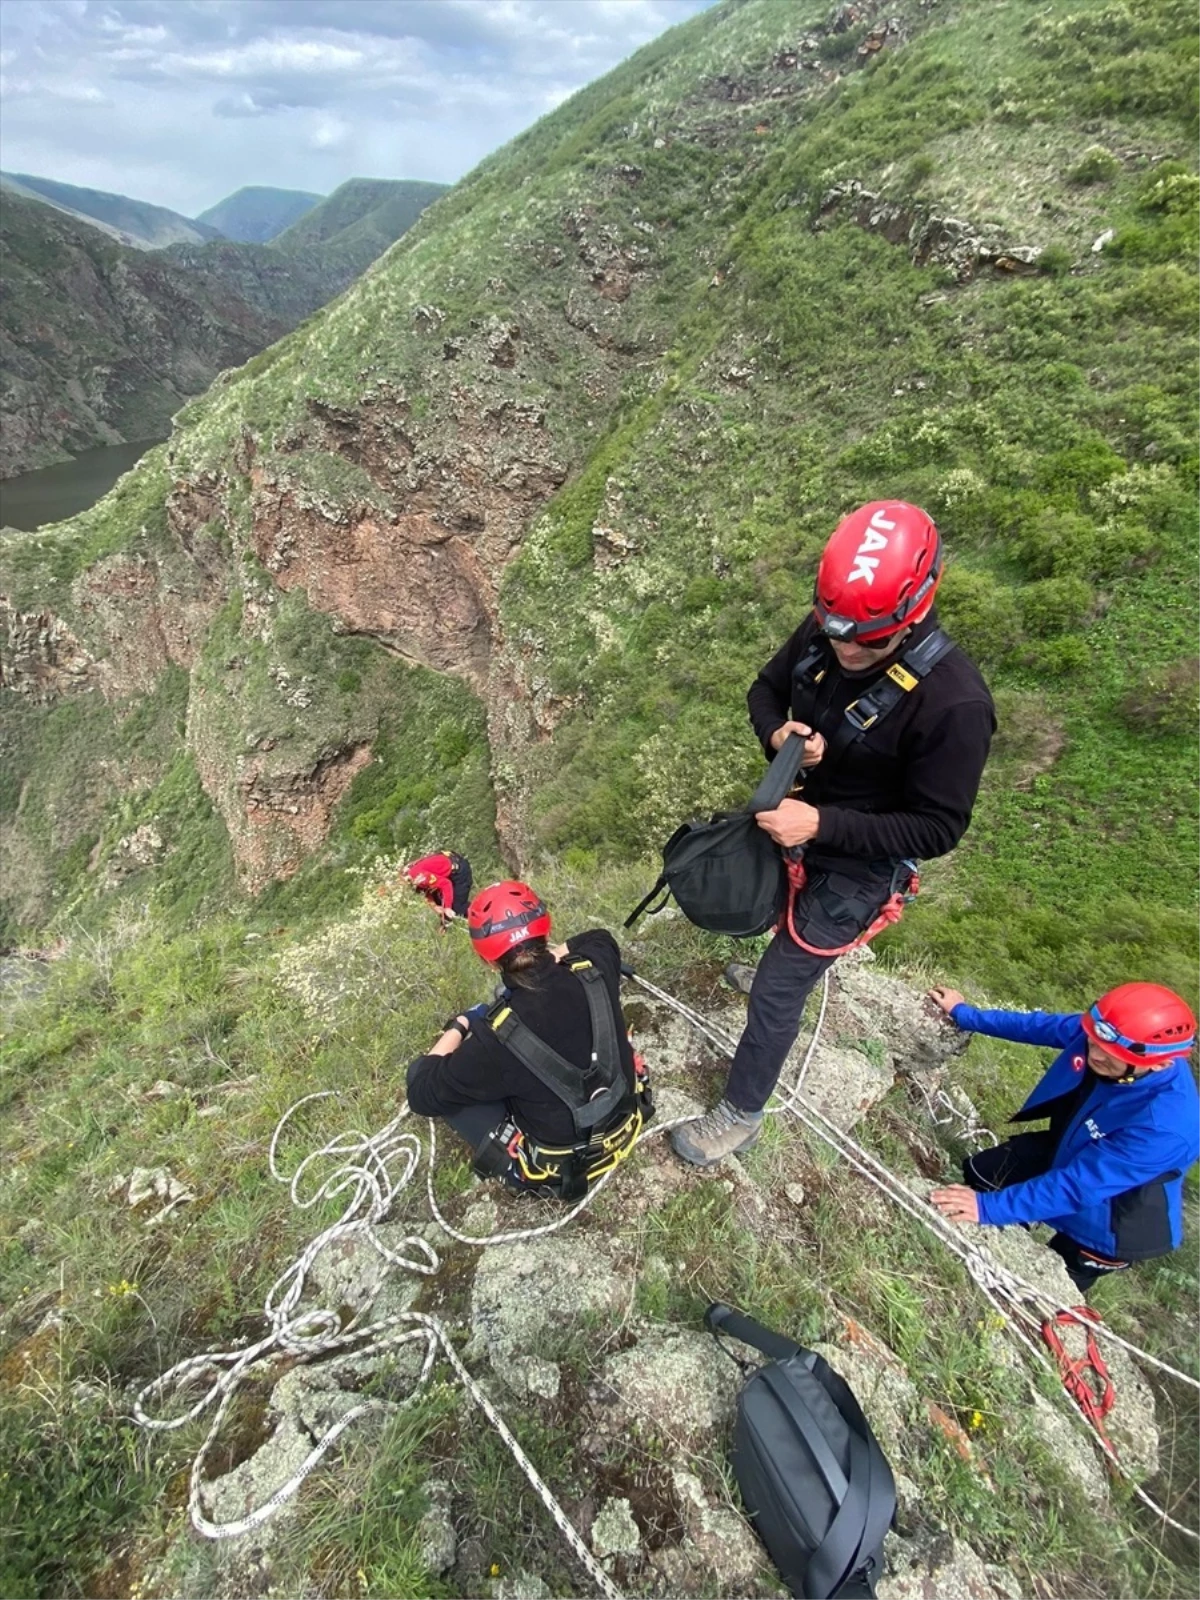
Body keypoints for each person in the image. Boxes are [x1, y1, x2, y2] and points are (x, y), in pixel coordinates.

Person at [671, 500, 996, 1166]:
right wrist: (779, 733)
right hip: (798, 817)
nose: (846, 650)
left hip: (860, 864)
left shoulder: (955, 704)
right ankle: (771, 967)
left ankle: (740, 1114)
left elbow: (937, 826)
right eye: (835, 632)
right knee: (765, 914)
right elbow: (764, 688)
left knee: (778, 989)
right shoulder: (833, 628)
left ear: (913, 614)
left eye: (866, 642)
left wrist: (822, 822)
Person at [927, 982, 1199, 1292]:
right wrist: (966, 1015)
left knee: (1040, 1286)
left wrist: (989, 1209)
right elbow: (1040, 1026)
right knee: (983, 1171)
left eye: (1109, 1055)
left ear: (1161, 1063)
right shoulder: (1109, 1036)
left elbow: (1079, 1185)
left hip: (1115, 1217)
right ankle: (1006, 1216)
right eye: (1093, 1042)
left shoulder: (1166, 1127)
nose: (1093, 1054)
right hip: (1075, 1149)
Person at [406, 881, 653, 1199]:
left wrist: (462, 1023)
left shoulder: (495, 1038)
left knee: (430, 1077)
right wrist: (553, 958)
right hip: (624, 1117)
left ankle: (520, 1173)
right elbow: (599, 937)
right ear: (545, 932)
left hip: (562, 1164)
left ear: (488, 961)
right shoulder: (595, 969)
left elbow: (421, 1092)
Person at [401, 850, 473, 922]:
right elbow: (425, 891)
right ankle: (447, 924)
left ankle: (480, 916)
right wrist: (434, 906)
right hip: (450, 864)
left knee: (458, 908)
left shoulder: (417, 877)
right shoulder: (410, 873)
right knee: (439, 900)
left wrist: (448, 907)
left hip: (459, 871)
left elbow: (446, 884)